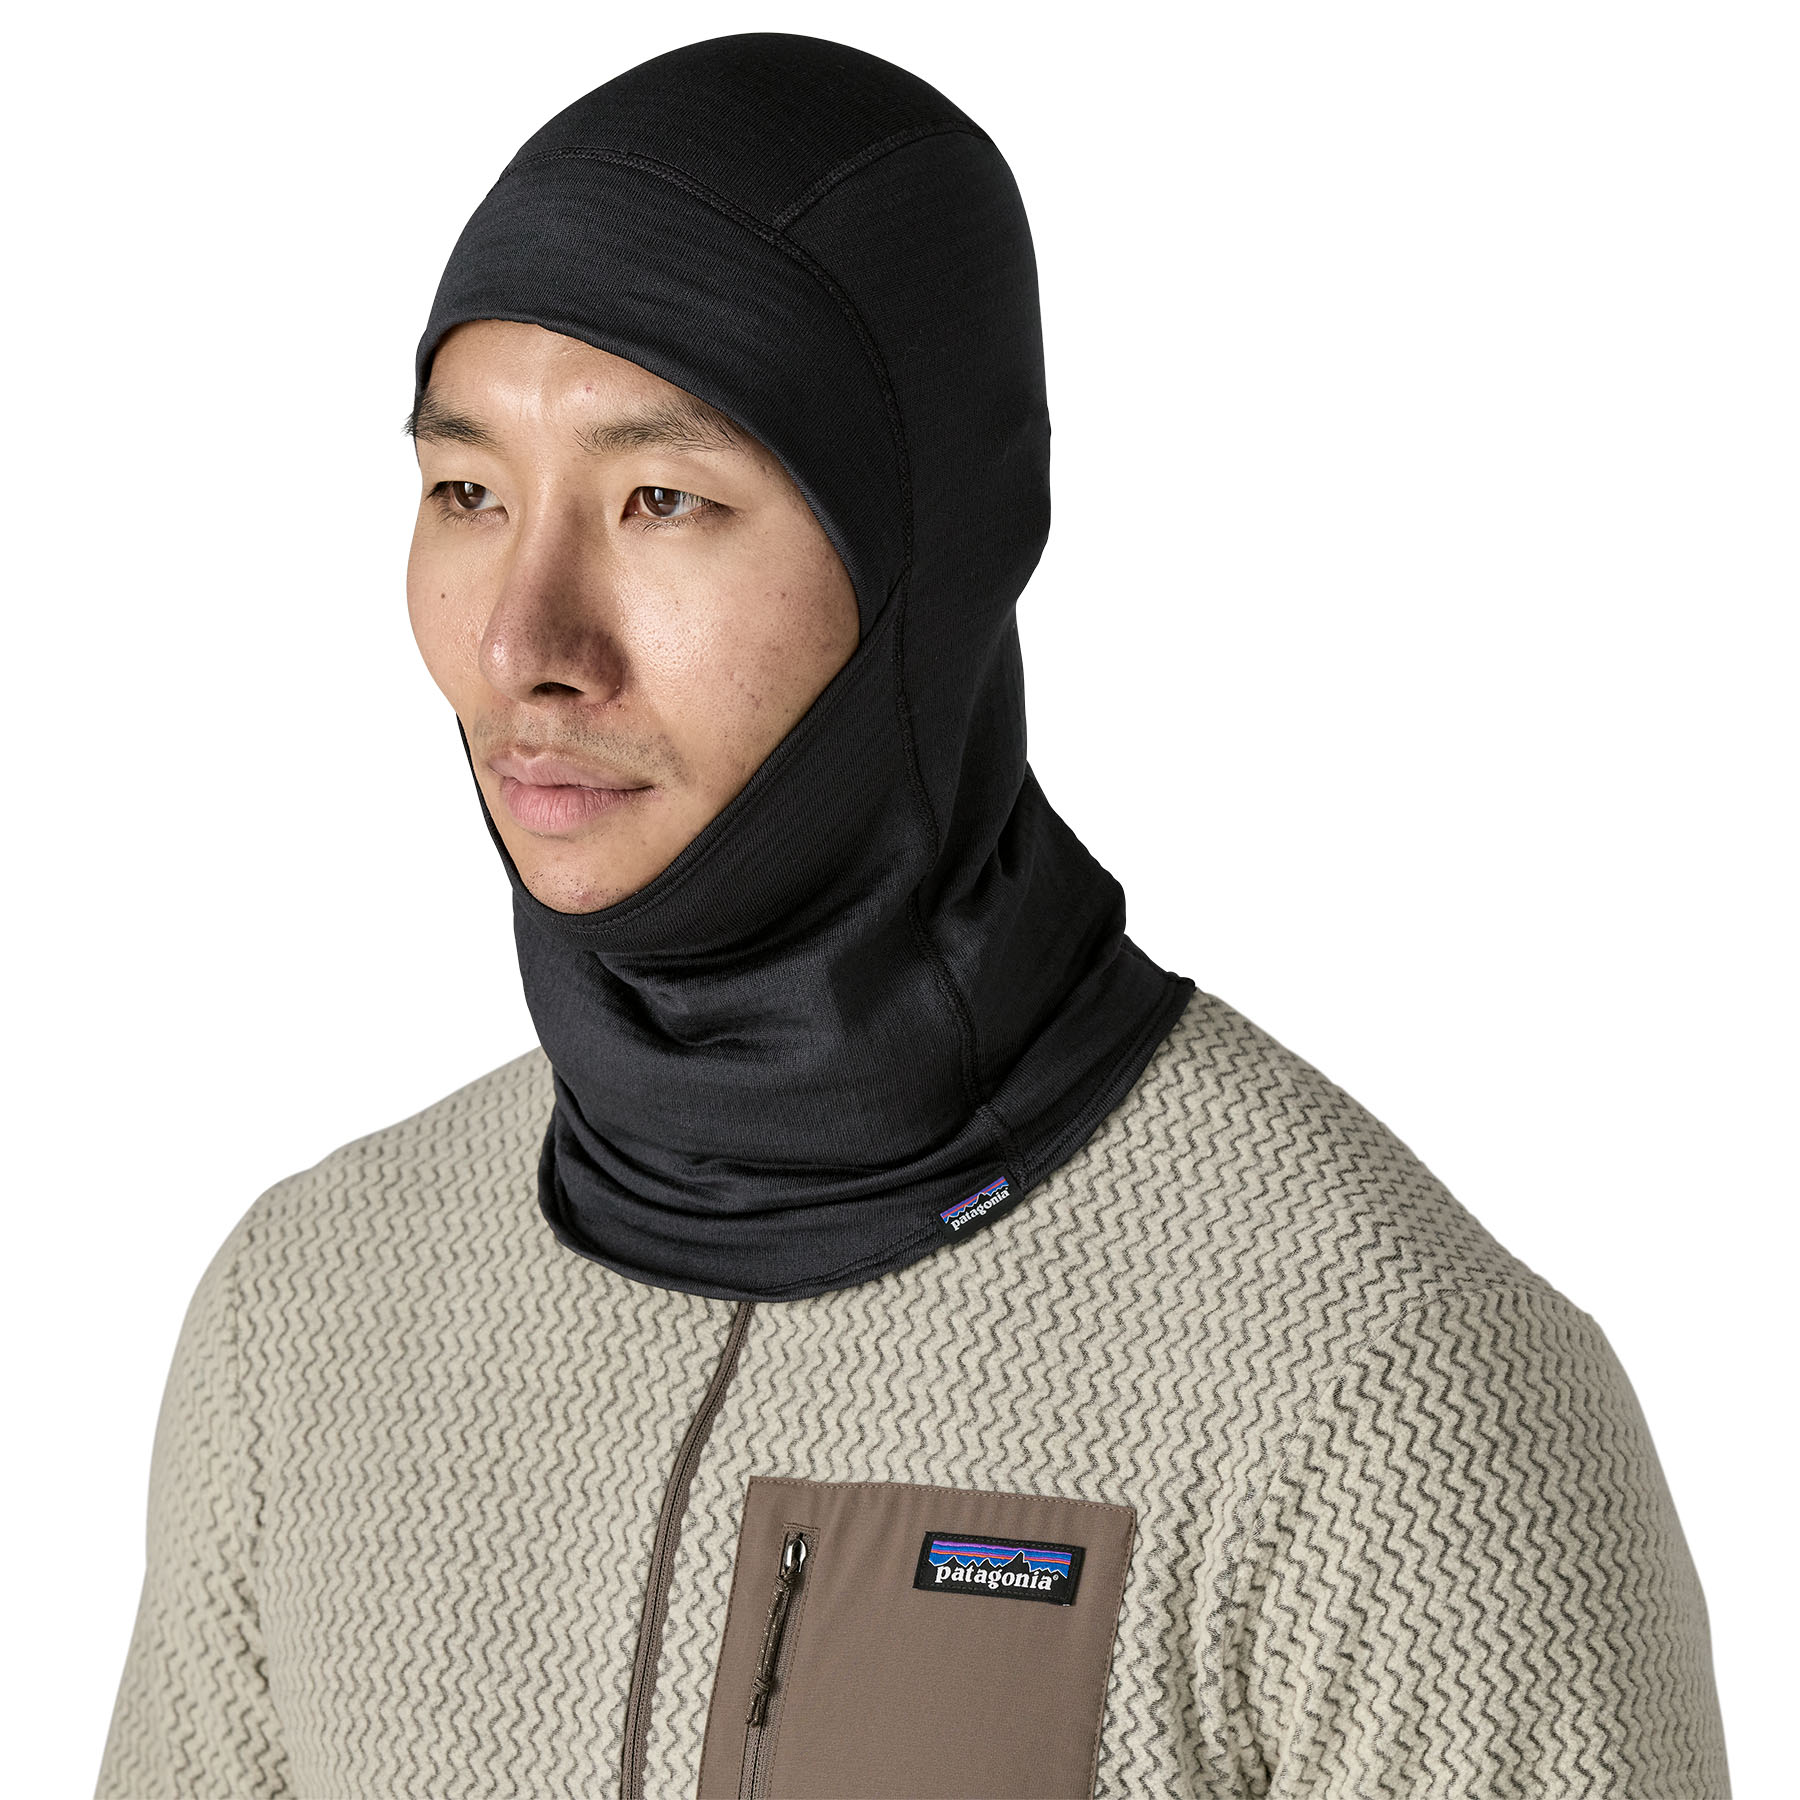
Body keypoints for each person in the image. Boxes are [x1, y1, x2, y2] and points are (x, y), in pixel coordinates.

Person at [96, 31, 1729, 1800]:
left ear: (924, 549)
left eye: (663, 500)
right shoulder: (305, 1321)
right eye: (467, 493)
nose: (522, 642)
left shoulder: (1383, 1393)